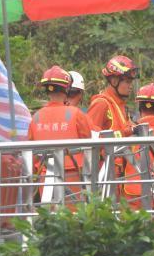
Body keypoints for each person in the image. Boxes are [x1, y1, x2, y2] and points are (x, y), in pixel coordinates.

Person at [28, 66, 93, 199]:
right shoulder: (76, 114)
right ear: (67, 89)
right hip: (73, 174)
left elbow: (31, 151)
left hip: (45, 177)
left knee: (49, 215)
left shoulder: (36, 117)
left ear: (47, 90)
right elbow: (88, 142)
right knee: (73, 216)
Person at [87, 55, 137, 137]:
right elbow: (90, 136)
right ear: (114, 81)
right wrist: (125, 132)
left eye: (131, 82)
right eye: (128, 82)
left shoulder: (120, 105)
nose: (131, 86)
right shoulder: (101, 104)